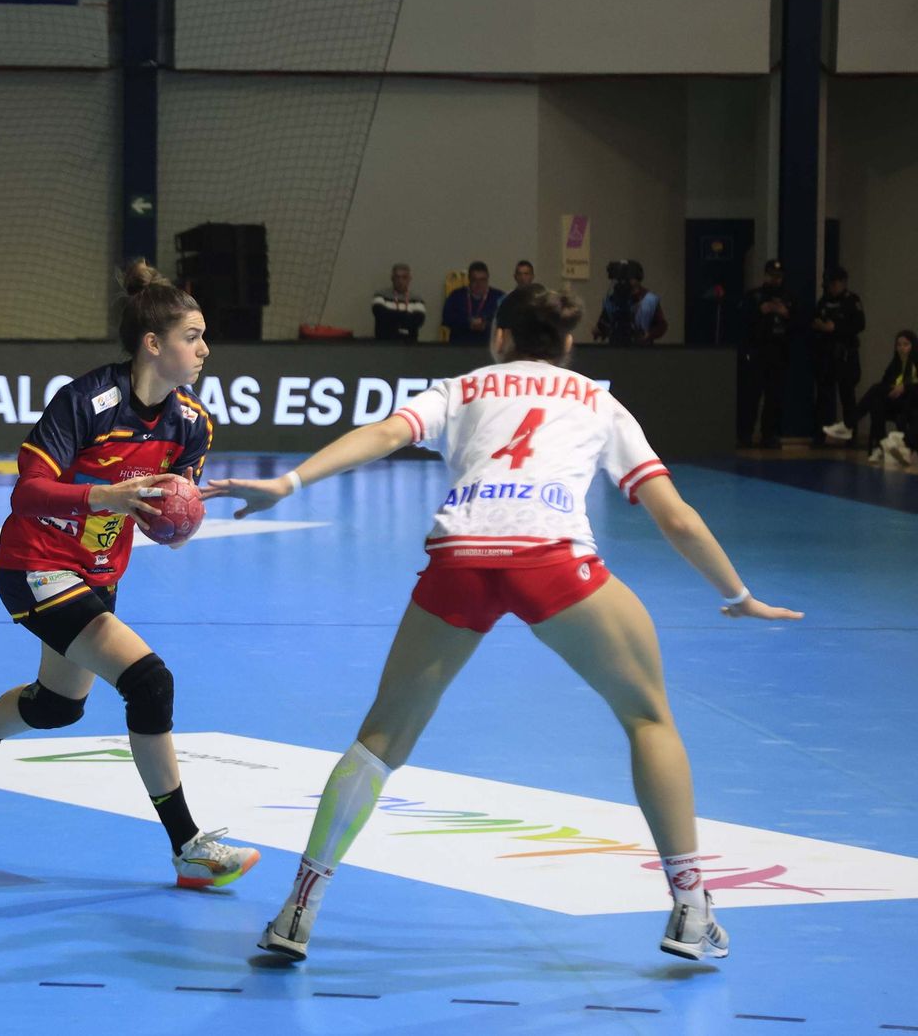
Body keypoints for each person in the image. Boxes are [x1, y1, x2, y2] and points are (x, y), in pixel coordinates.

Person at [205, 284, 801, 964]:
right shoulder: (600, 402)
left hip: (459, 559)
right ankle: (692, 911)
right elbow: (676, 517)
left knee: (380, 738)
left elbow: (381, 435)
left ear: (498, 336)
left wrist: (289, 483)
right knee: (648, 717)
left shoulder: (463, 388)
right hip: (552, 562)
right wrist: (737, 593)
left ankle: (298, 909)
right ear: (570, 345)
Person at [0, 260, 260, 889]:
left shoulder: (192, 424)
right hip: (35, 565)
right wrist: (105, 497)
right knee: (149, 683)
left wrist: (175, 521)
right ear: (153, 344)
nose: (205, 348)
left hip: (97, 573)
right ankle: (187, 847)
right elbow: (28, 492)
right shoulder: (85, 403)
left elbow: (171, 502)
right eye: (193, 336)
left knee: (56, 708)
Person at [737, 259, 795, 448]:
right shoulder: (754, 296)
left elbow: (798, 324)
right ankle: (745, 434)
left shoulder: (789, 297)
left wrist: (786, 313)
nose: (776, 280)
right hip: (757, 351)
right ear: (766, 275)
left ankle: (769, 434)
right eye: (772, 276)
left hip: (778, 352)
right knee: (751, 396)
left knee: (774, 397)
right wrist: (760, 311)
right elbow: (742, 321)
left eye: (779, 277)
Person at [838, 329, 916, 464]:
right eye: (899, 345)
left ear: (913, 346)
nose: (902, 348)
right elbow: (886, 382)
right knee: (876, 403)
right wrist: (892, 389)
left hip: (912, 403)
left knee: (875, 391)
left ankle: (848, 424)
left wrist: (905, 387)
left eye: (906, 344)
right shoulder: (895, 363)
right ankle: (879, 446)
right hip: (896, 402)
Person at [812, 267, 866, 445]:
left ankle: (851, 435)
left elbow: (859, 324)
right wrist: (820, 327)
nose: (831, 288)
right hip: (826, 354)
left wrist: (836, 328)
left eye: (834, 284)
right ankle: (821, 435)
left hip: (845, 354)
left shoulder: (852, 301)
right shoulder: (824, 301)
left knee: (847, 396)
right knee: (824, 396)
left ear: (843, 283)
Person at [593, 259, 669, 346]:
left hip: (642, 351)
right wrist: (599, 331)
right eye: (620, 279)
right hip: (615, 350)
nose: (623, 282)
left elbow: (662, 326)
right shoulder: (613, 299)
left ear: (637, 279)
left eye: (627, 278)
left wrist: (648, 334)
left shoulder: (649, 300)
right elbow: (604, 324)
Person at [441, 261, 504, 346]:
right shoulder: (456, 296)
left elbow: (506, 321)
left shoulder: (498, 297)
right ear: (469, 280)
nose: (479, 284)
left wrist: (486, 325)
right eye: (475, 280)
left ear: (487, 279)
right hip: (459, 347)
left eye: (482, 280)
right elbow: (446, 319)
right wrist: (467, 324)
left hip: (488, 348)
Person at [371, 262, 427, 343]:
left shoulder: (417, 299)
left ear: (409, 279)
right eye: (397, 277)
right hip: (384, 344)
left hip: (409, 345)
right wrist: (406, 316)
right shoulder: (380, 295)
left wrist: (392, 318)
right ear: (392, 278)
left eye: (404, 277)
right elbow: (381, 315)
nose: (400, 281)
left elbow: (418, 321)